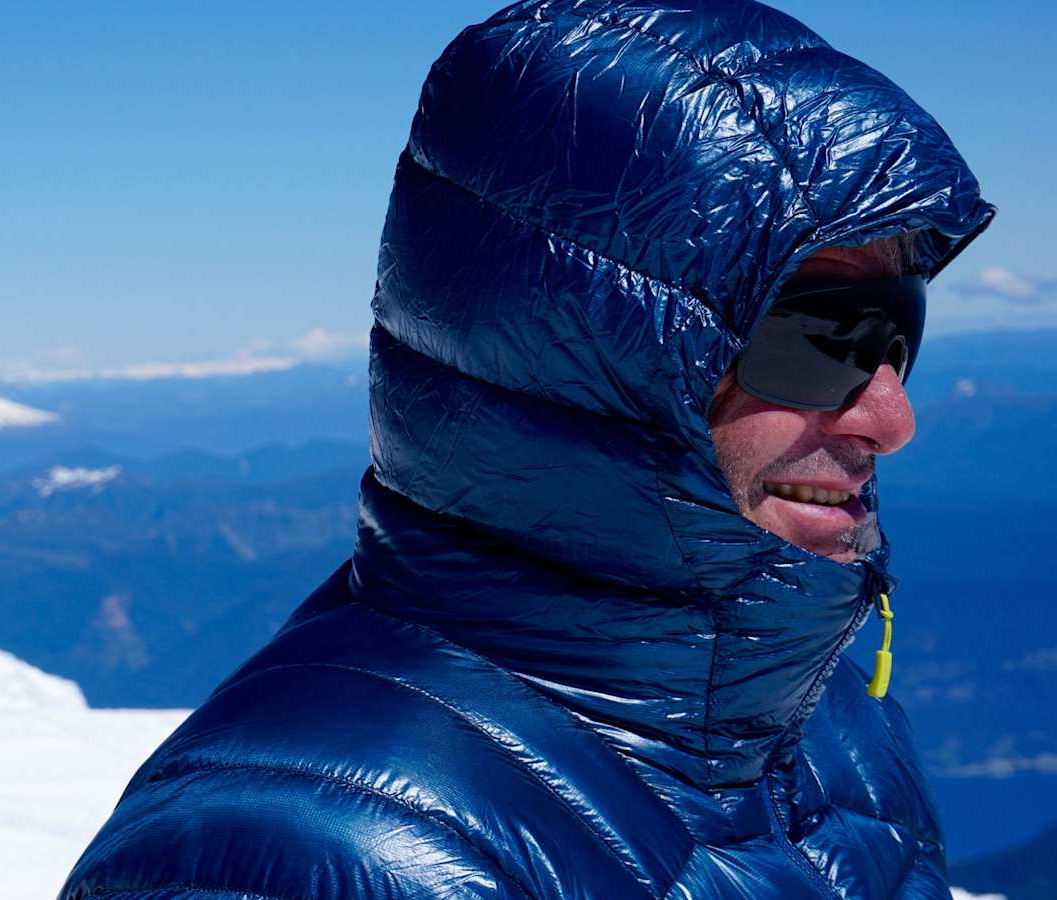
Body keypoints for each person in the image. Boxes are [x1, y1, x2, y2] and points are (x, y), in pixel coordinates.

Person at [60, 1, 995, 897]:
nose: (893, 418)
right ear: (587, 364)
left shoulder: (822, 719)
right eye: (818, 339)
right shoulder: (314, 851)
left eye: (893, 334)